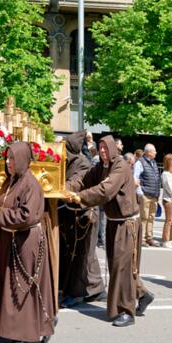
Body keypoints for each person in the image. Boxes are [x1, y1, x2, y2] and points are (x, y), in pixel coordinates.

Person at [65, 135, 154, 327]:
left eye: (106, 148)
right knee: (117, 265)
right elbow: (83, 180)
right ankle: (143, 294)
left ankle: (127, 311)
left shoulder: (120, 166)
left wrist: (80, 197)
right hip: (113, 222)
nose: (103, 151)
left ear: (113, 148)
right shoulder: (100, 167)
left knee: (122, 267)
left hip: (127, 224)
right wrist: (65, 188)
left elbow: (105, 189)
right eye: (100, 148)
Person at [0, 142, 54, 343]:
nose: (8, 162)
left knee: (22, 288)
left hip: (25, 241)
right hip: (12, 239)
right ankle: (40, 325)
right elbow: (5, 205)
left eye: (12, 158)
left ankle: (23, 339)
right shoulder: (12, 181)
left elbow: (26, 216)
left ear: (21, 159)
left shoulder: (31, 184)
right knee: (16, 286)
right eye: (7, 158)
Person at [58, 131, 106, 308]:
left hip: (85, 214)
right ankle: (96, 289)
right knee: (87, 254)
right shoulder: (67, 162)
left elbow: (76, 182)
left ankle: (75, 294)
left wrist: (59, 188)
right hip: (72, 213)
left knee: (81, 255)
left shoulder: (82, 163)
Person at [134, 144, 161, 247]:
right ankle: (141, 239)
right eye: (154, 151)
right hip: (145, 194)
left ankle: (149, 237)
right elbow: (135, 178)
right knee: (143, 217)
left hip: (154, 195)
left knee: (151, 217)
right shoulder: (140, 162)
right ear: (148, 152)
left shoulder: (153, 162)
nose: (156, 152)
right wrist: (140, 193)